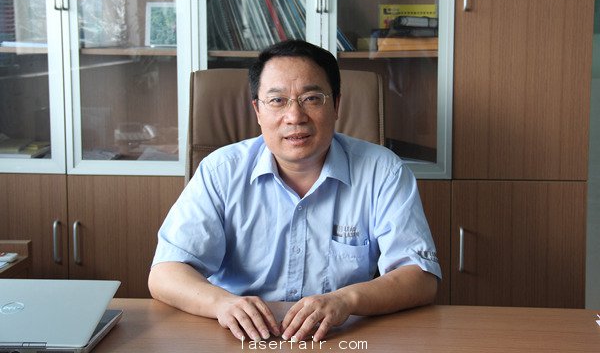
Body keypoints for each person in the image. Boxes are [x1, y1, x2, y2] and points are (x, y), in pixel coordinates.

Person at [148, 39, 441, 343]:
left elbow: (420, 277)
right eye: (277, 100)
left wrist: (345, 300)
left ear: (336, 105)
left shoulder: (382, 171)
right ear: (257, 110)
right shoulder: (221, 171)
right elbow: (166, 272)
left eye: (311, 98)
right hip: (239, 338)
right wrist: (222, 303)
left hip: (339, 337)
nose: (295, 116)